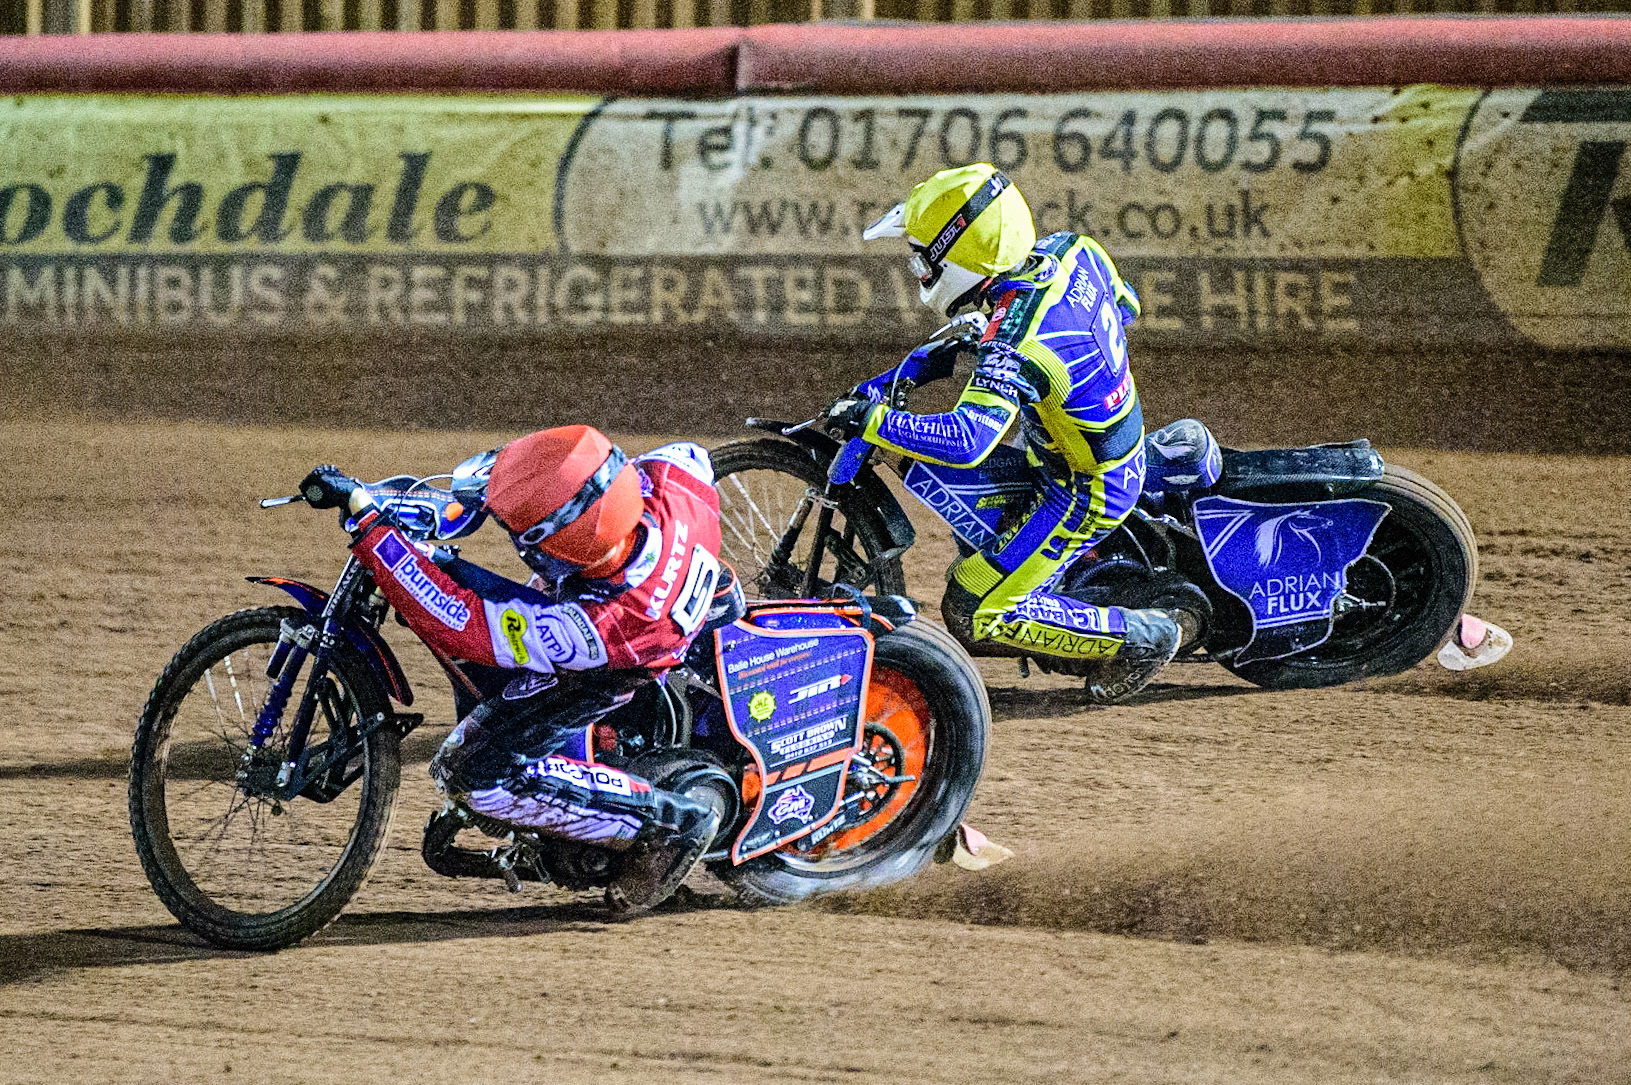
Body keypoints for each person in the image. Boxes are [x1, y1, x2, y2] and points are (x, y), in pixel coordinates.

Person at [299, 426, 726, 912]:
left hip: (618, 657)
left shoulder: (588, 629)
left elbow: (461, 621)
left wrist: (377, 536)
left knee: (468, 770)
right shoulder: (673, 474)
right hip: (677, 576)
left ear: (555, 547)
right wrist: (385, 503)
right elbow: (530, 486)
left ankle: (673, 824)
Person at [826, 163, 1181, 703]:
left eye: (925, 258)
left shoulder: (1015, 342)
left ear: (962, 255)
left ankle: (1145, 636)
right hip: (1081, 438)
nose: (919, 269)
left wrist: (873, 421)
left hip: (1085, 487)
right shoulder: (1071, 249)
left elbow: (968, 439)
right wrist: (1003, 326)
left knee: (973, 608)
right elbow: (1125, 303)